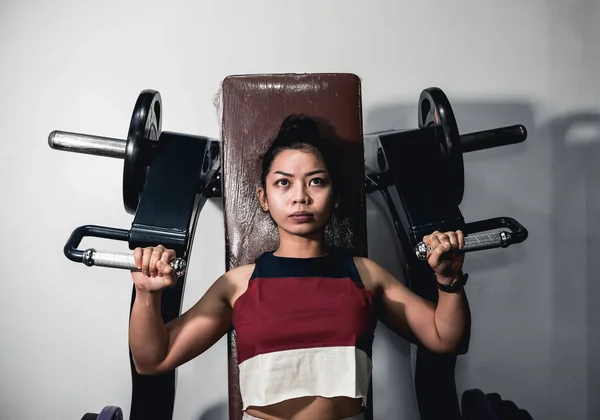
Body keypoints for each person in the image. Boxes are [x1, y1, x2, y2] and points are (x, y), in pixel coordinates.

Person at [128, 115, 471, 420]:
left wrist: (449, 279)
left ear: (335, 196)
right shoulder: (238, 285)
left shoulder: (365, 275)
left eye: (316, 181)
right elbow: (153, 360)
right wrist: (146, 294)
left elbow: (445, 338)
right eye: (283, 183)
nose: (300, 197)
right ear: (263, 198)